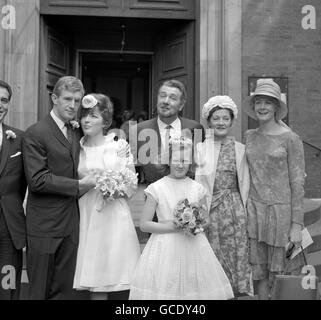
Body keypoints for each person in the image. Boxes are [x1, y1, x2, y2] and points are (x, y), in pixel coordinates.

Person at [129, 137, 234, 300]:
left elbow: (206, 220)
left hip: (194, 246)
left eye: (185, 161)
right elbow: (144, 225)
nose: (180, 165)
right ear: (168, 161)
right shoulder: (156, 188)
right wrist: (176, 226)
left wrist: (195, 223)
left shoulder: (197, 188)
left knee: (192, 288)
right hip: (164, 247)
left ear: (191, 163)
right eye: (176, 160)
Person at [22, 76, 96, 300]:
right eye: (67, 99)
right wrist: (78, 185)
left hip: (71, 225)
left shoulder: (75, 131)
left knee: (64, 292)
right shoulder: (36, 132)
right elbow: (37, 179)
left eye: (77, 100)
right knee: (39, 292)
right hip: (44, 227)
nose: (72, 105)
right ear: (54, 98)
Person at [73, 94, 140, 300]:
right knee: (92, 274)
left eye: (93, 116)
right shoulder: (76, 147)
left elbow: (131, 184)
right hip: (86, 213)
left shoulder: (119, 147)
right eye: (84, 116)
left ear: (106, 121)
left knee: (110, 274)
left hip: (113, 216)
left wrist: (112, 189)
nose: (87, 120)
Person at [243, 79, 305, 300]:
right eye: (258, 102)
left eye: (268, 103)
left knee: (282, 274)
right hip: (255, 213)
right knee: (258, 273)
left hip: (281, 215)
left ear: (277, 107)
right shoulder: (249, 136)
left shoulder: (291, 139)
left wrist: (296, 225)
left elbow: (298, 183)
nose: (262, 107)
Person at [195, 96, 252, 296]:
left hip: (234, 210)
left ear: (232, 121)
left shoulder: (241, 149)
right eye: (216, 118)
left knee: (235, 253)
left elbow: (246, 181)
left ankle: (235, 291)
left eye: (225, 118)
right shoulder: (200, 149)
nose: (221, 122)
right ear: (208, 121)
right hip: (210, 209)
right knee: (211, 253)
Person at [130, 79, 204, 184]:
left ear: (181, 105)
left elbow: (201, 166)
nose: (166, 101)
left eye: (173, 98)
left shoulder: (196, 128)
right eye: (163, 96)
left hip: (188, 195)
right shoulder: (137, 130)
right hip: (153, 196)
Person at [0, 80, 27, 300]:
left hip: (8, 229)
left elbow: (24, 185)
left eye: (4, 100)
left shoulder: (18, 138)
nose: (0, 104)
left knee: (6, 287)